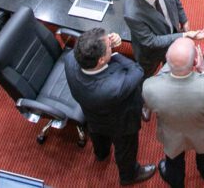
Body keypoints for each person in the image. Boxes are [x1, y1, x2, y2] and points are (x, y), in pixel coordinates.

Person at [64, 28, 156, 186]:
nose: (112, 45)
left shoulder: (70, 59)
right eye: (109, 46)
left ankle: (101, 154)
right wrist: (115, 54)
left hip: (92, 115)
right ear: (100, 60)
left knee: (98, 136)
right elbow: (137, 70)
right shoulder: (113, 87)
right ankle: (129, 176)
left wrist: (106, 44)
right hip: (120, 123)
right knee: (125, 149)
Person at [142, 37, 204, 188]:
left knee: (174, 162)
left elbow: (147, 110)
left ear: (166, 60)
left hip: (172, 136)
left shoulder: (150, 86)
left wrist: (171, 64)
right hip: (203, 135)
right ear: (195, 61)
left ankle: (177, 183)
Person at [124, 0, 204, 75]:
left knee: (170, 65)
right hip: (152, 53)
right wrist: (184, 35)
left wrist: (184, 20)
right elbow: (151, 41)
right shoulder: (132, 14)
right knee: (146, 74)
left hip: (173, 34)